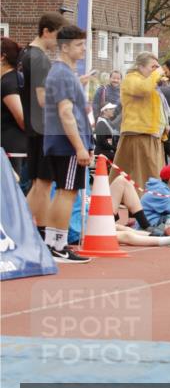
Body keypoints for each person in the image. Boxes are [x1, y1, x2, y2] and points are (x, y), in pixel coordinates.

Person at [42, 25, 93, 262]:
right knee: (67, 192)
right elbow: (65, 113)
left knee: (63, 191)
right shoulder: (62, 73)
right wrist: (80, 146)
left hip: (60, 142)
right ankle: (58, 245)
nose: (83, 49)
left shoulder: (62, 73)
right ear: (64, 47)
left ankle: (52, 243)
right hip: (67, 144)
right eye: (79, 45)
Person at [19, 12, 64, 231]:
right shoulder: (39, 59)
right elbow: (42, 98)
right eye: (57, 37)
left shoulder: (25, 54)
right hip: (44, 128)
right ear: (46, 31)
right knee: (44, 183)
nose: (58, 44)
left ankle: (30, 231)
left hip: (33, 126)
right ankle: (31, 232)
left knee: (39, 183)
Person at [112, 53, 167, 188]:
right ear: (140, 66)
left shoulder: (150, 81)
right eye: (152, 67)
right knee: (145, 175)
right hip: (138, 133)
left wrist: (165, 125)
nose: (155, 70)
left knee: (151, 174)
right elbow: (143, 89)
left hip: (151, 133)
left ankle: (140, 202)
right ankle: (141, 203)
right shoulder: (131, 79)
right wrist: (157, 73)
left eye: (157, 67)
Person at [1, 37, 27, 176]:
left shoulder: (8, 82)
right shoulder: (14, 78)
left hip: (12, 151)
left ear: (2, 57)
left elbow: (21, 118)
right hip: (14, 149)